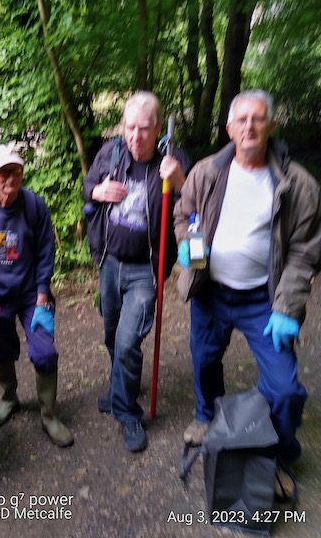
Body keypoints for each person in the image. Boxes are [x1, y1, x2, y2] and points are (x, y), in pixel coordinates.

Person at [173, 89, 321, 499]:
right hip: (211, 292)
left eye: (258, 119)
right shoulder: (206, 172)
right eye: (242, 120)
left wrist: (288, 306)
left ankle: (277, 452)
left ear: (272, 125)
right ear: (230, 128)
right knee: (204, 360)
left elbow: (306, 251)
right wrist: (187, 241)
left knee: (287, 389)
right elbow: (183, 213)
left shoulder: (299, 184)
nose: (250, 127)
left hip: (263, 301)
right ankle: (207, 415)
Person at [82, 91, 191, 452]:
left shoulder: (174, 160)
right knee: (113, 336)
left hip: (147, 267)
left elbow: (198, 207)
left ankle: (126, 411)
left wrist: (178, 181)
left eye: (144, 129)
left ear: (158, 128)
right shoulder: (110, 154)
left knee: (129, 341)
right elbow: (87, 188)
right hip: (109, 262)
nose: (136, 136)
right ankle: (121, 388)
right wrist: (97, 190)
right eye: (130, 127)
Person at [0, 144, 74, 448]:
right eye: (2, 172)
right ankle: (8, 397)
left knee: (44, 351)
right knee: (1, 349)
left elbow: (45, 251)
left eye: (15, 170)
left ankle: (50, 415)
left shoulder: (34, 205)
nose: (10, 177)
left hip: (30, 294)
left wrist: (42, 294)